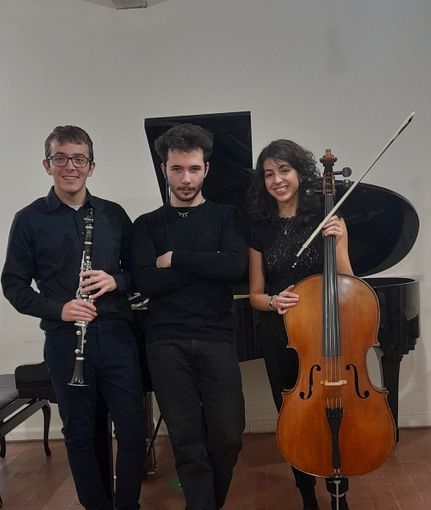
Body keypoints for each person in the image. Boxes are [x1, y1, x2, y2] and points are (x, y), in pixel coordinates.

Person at [1, 125, 147, 510]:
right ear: (47, 164)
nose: (70, 166)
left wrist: (115, 280)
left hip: (116, 335)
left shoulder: (113, 215)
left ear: (91, 166)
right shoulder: (29, 219)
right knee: (80, 434)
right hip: (65, 340)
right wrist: (59, 309)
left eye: (79, 158)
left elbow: (140, 273)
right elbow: (13, 284)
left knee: (133, 430)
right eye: (61, 158)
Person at [131, 123, 247, 510]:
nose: (185, 178)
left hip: (217, 337)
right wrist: (208, 266)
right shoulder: (147, 225)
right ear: (164, 169)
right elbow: (147, 281)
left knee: (229, 436)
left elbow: (234, 266)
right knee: (186, 439)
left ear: (206, 169)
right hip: (166, 341)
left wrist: (176, 259)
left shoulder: (227, 217)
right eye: (177, 169)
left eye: (194, 169)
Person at [247, 139, 353, 510]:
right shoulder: (259, 229)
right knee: (293, 419)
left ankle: (340, 491)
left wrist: (338, 240)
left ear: (300, 173)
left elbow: (348, 283)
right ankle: (307, 495)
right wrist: (273, 301)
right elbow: (255, 294)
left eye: (284, 170)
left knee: (337, 415)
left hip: (326, 336)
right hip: (281, 335)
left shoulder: (327, 218)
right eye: (269, 174)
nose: (277, 180)